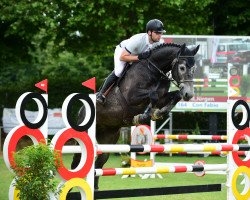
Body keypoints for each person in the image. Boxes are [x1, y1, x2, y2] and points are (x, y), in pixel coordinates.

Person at [97, 19, 166, 105]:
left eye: (161, 33)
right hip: (123, 52)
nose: (160, 36)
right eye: (157, 33)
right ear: (149, 32)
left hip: (137, 56)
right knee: (119, 72)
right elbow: (123, 57)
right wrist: (139, 57)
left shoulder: (160, 43)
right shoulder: (137, 40)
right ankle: (101, 94)